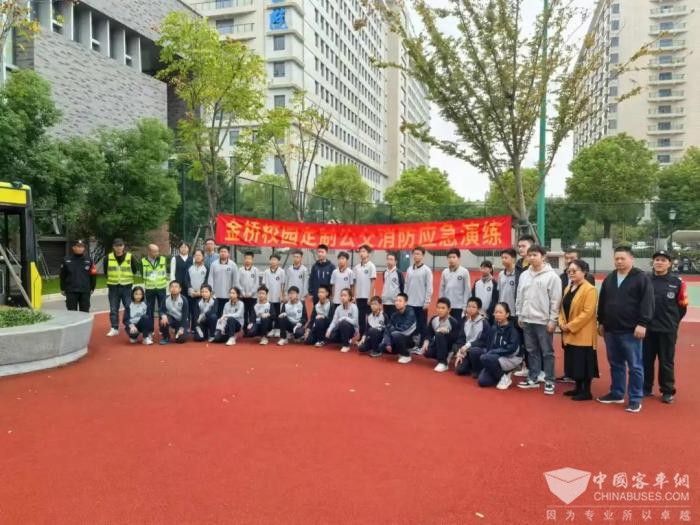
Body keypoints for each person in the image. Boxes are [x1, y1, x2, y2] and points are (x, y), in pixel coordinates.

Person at [596, 246, 655, 413]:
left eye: (623, 258)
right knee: (615, 364)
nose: (619, 261)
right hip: (611, 329)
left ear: (631, 259)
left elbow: (648, 302)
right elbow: (603, 301)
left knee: (635, 366)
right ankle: (617, 393)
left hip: (631, 330)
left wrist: (643, 323)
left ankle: (635, 398)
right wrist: (601, 322)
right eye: (616, 259)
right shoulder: (610, 278)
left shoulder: (641, 278)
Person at [515, 245, 562, 395]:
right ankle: (533, 378)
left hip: (543, 321)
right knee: (531, 351)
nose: (532, 258)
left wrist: (553, 320)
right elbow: (520, 296)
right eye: (529, 255)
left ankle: (549, 380)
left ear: (543, 256)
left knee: (547, 352)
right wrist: (519, 314)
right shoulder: (524, 275)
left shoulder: (552, 277)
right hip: (527, 319)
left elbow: (555, 300)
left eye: (535, 255)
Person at [643, 250, 688, 404]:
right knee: (645, 360)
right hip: (647, 329)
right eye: (657, 260)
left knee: (666, 362)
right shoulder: (645, 280)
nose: (659, 262)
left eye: (663, 260)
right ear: (653, 262)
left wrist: (673, 322)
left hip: (667, 329)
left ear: (669, 263)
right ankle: (645, 387)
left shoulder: (677, 282)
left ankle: (667, 391)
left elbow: (682, 307)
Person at [558, 259, 599, 401]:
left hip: (583, 333)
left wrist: (570, 326)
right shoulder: (568, 288)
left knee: (583, 361)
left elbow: (587, 313)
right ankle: (577, 388)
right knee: (574, 360)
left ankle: (586, 391)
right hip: (569, 332)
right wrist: (561, 323)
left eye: (574, 271)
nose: (571, 273)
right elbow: (562, 308)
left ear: (584, 272)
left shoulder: (590, 289)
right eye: (569, 271)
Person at [469, 303, 522, 389]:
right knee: (482, 381)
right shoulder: (494, 328)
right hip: (495, 357)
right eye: (496, 312)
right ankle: (503, 373)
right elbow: (489, 345)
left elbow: (511, 349)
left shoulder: (512, 330)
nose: (497, 314)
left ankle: (504, 378)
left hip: (511, 357)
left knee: (484, 357)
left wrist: (492, 353)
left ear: (507, 314)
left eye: (500, 312)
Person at [105, 238, 139, 337]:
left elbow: (134, 270)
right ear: (113, 247)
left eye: (120, 245)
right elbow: (106, 271)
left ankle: (129, 325)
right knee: (113, 308)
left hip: (126, 287)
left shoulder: (130, 257)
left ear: (123, 246)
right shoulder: (108, 257)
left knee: (128, 307)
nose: (119, 248)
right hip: (113, 287)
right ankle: (114, 328)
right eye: (117, 246)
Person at [421, 297, 461, 372]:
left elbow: (456, 339)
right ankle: (443, 356)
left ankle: (443, 363)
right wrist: (426, 341)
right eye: (438, 308)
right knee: (426, 352)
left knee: (439, 333)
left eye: (443, 308)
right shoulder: (434, 319)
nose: (440, 310)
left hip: (449, 346)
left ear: (449, 310)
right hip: (437, 343)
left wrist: (447, 332)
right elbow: (429, 333)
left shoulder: (453, 322)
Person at [405, 246, 433, 350]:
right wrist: (405, 300)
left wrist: (427, 301)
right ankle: (411, 343)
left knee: (422, 324)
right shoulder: (409, 269)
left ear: (423, 256)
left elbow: (429, 287)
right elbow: (406, 285)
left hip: (421, 303)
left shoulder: (427, 270)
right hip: (410, 302)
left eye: (418, 254)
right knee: (411, 324)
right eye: (415, 254)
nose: (416, 256)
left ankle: (421, 345)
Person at [454, 297, 490, 376]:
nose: (470, 309)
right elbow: (461, 338)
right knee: (459, 370)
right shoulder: (465, 322)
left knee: (474, 351)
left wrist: (468, 345)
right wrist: (460, 351)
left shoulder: (484, 323)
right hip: (466, 351)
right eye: (469, 306)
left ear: (479, 309)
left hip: (479, 349)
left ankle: (478, 370)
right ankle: (470, 365)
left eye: (473, 307)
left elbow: (484, 341)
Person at [59, 239, 97, 313]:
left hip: (84, 290)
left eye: (82, 247)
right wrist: (62, 288)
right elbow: (62, 275)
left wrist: (92, 287)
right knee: (72, 313)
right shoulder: (66, 260)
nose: (80, 248)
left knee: (85, 312)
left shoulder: (89, 260)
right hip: (71, 290)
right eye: (78, 246)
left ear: (84, 248)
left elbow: (93, 275)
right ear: (73, 247)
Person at [381, 293, 417, 364]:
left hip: (410, 338)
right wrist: (388, 343)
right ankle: (399, 350)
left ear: (406, 303)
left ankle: (406, 355)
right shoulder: (395, 314)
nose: (397, 303)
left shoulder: (410, 313)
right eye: (396, 301)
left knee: (395, 335)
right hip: (397, 336)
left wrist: (392, 330)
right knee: (382, 347)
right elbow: (388, 328)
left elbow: (405, 329)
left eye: (400, 301)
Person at [141, 244, 169, 332]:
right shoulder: (143, 261)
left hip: (161, 288)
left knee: (162, 308)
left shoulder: (163, 259)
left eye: (158, 251)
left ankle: (162, 328)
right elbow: (142, 273)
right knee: (149, 309)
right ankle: (150, 330)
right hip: (149, 288)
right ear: (149, 252)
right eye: (155, 251)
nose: (157, 253)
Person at [439, 248, 471, 321]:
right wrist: (441, 303)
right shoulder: (445, 272)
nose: (451, 259)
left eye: (454, 257)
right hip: (447, 306)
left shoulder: (464, 272)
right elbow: (442, 288)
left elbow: (467, 290)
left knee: (458, 325)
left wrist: (465, 305)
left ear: (458, 258)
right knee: (447, 325)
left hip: (459, 306)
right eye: (449, 257)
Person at [353, 244, 377, 338]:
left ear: (368, 254)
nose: (361, 253)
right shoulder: (356, 267)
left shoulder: (371, 266)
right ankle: (361, 336)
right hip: (359, 296)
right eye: (360, 252)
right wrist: (355, 296)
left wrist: (370, 297)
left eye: (363, 251)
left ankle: (369, 336)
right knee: (361, 318)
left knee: (370, 317)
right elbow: (355, 282)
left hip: (368, 297)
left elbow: (373, 282)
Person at [208, 246, 239, 318]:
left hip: (229, 295)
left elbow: (235, 280)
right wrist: (211, 291)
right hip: (216, 295)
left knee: (227, 314)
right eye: (221, 252)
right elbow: (210, 278)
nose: (223, 253)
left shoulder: (233, 265)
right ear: (219, 253)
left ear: (228, 253)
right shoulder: (214, 264)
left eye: (225, 252)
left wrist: (234, 293)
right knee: (217, 313)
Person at [325, 288, 359, 353]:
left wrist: (344, 318)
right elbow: (334, 321)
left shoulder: (354, 307)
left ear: (349, 297)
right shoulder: (338, 308)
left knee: (344, 323)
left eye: (345, 295)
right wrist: (329, 330)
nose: (343, 297)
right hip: (340, 328)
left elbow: (355, 322)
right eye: (341, 295)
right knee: (330, 337)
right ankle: (345, 340)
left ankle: (346, 345)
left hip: (352, 330)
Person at [159, 280, 189, 345]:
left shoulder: (184, 299)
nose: (174, 288)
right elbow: (161, 310)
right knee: (162, 320)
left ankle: (179, 330)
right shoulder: (166, 298)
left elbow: (185, 315)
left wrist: (182, 328)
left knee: (181, 340)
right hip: (171, 319)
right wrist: (163, 315)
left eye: (176, 287)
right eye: (172, 287)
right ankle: (166, 337)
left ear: (180, 289)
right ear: (169, 289)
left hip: (181, 321)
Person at [263, 253, 286, 335]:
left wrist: (282, 295)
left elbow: (283, 284)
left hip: (278, 296)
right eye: (272, 259)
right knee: (269, 313)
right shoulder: (266, 272)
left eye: (275, 260)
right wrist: (265, 296)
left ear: (278, 261)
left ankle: (277, 329)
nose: (273, 261)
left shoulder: (282, 271)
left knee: (277, 313)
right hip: (269, 297)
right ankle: (271, 329)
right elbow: (264, 285)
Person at [186, 249, 208, 331]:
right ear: (193, 257)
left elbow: (206, 280)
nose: (198, 257)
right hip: (191, 293)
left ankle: (200, 327)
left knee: (200, 311)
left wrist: (201, 291)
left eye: (199, 255)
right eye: (196, 255)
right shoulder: (189, 267)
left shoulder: (206, 268)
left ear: (203, 257)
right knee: (191, 310)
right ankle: (192, 328)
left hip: (201, 293)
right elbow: (186, 279)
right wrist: (190, 289)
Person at [239, 251, 260, 327]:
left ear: (252, 259)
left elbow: (256, 283)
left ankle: (251, 328)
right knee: (243, 312)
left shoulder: (256, 270)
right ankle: (244, 327)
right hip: (242, 296)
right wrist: (242, 292)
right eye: (246, 258)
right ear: (244, 259)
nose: (247, 260)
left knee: (252, 312)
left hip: (252, 296)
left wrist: (251, 293)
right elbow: (238, 282)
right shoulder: (240, 270)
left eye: (249, 258)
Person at [381, 252, 404, 319]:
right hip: (385, 301)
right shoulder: (384, 272)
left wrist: (400, 300)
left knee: (394, 320)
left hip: (395, 302)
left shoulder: (398, 273)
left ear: (395, 261)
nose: (389, 261)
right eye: (388, 259)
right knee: (386, 320)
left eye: (391, 259)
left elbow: (402, 287)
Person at [330, 251, 354, 316]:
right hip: (336, 300)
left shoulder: (350, 272)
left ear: (347, 260)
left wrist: (351, 298)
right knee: (336, 316)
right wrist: (332, 297)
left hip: (346, 300)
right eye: (339, 259)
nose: (341, 260)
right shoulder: (334, 272)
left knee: (345, 316)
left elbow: (352, 286)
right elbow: (333, 285)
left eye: (343, 258)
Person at [497, 249, 518, 315]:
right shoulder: (501, 274)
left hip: (514, 311)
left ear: (513, 259)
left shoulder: (518, 274)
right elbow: (499, 293)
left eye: (506, 258)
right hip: (502, 311)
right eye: (502, 258)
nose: (503, 260)